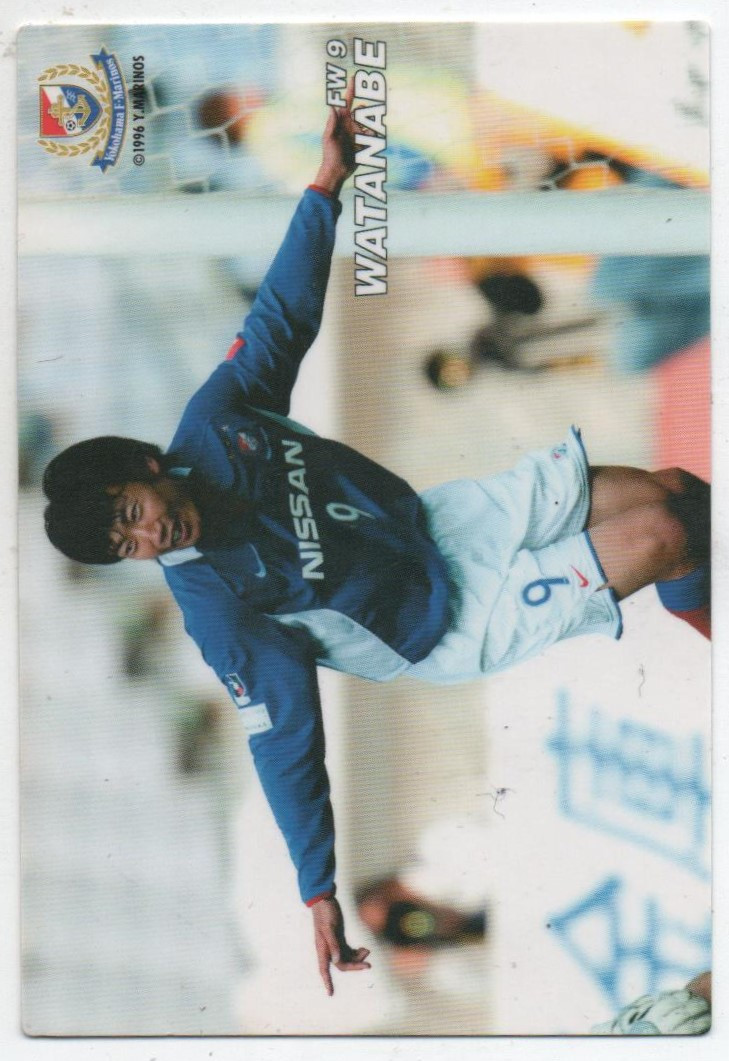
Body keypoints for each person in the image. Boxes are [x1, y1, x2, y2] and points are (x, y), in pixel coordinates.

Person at [42, 86, 711, 996]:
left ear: (146, 466)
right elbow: (285, 741)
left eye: (131, 510)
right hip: (444, 623)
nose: (149, 534)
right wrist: (317, 889)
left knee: (679, 494)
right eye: (129, 546)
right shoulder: (218, 604)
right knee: (665, 532)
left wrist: (325, 186)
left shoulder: (221, 423)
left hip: (440, 526)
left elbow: (282, 314)